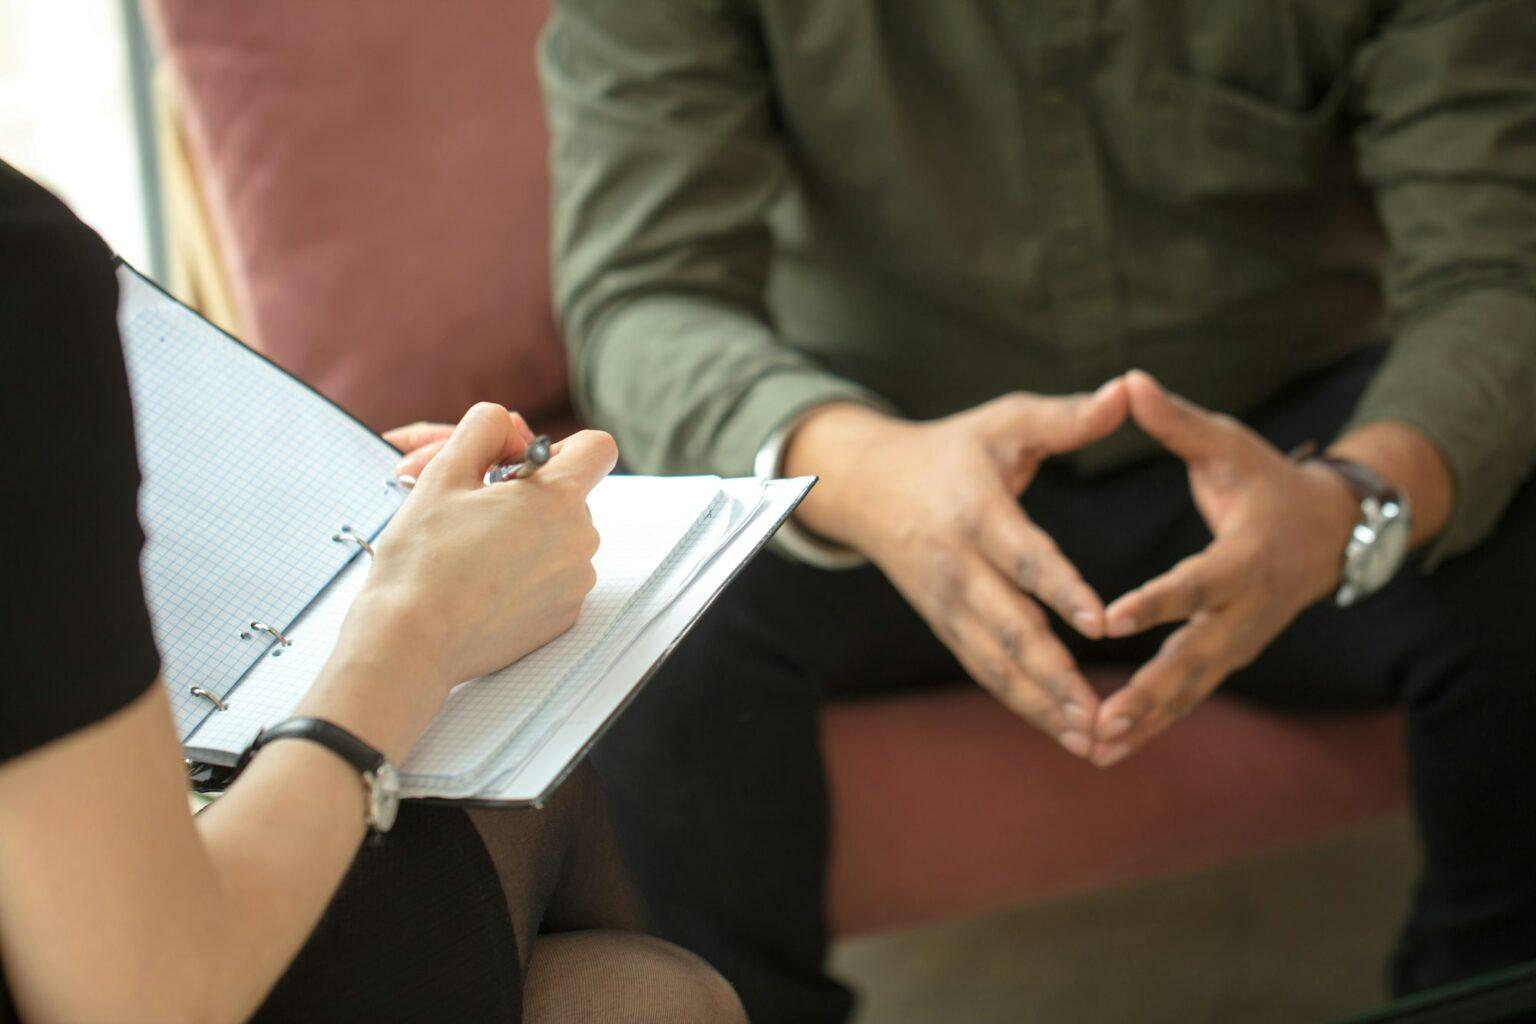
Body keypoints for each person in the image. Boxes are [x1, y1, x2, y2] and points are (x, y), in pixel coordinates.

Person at [537, 2, 1536, 1021]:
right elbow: (641, 290)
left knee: (1510, 504)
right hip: (874, 457)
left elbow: (1499, 272)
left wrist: (1352, 499)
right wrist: (862, 466)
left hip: (1281, 442)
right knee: (642, 609)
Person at [0, 161, 746, 1024]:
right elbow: (141, 995)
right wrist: (420, 620)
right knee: (650, 986)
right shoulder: (19, 264)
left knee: (640, 990)